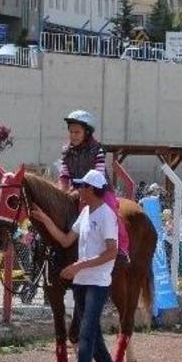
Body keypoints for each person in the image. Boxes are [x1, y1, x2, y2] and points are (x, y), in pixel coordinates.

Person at [30, 169, 121, 362]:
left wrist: (78, 265)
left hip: (97, 282)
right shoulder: (85, 213)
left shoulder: (106, 216)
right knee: (93, 333)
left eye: (82, 186)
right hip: (81, 281)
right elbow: (65, 240)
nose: (77, 190)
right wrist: (44, 219)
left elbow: (112, 251)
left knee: (85, 332)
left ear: (92, 190)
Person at [58, 109, 129, 260]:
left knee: (112, 213)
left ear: (87, 133)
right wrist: (61, 194)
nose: (73, 135)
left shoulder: (98, 149)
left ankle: (122, 248)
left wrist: (83, 192)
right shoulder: (65, 151)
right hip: (75, 190)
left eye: (77, 132)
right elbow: (63, 175)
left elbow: (98, 173)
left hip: (100, 190)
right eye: (71, 132)